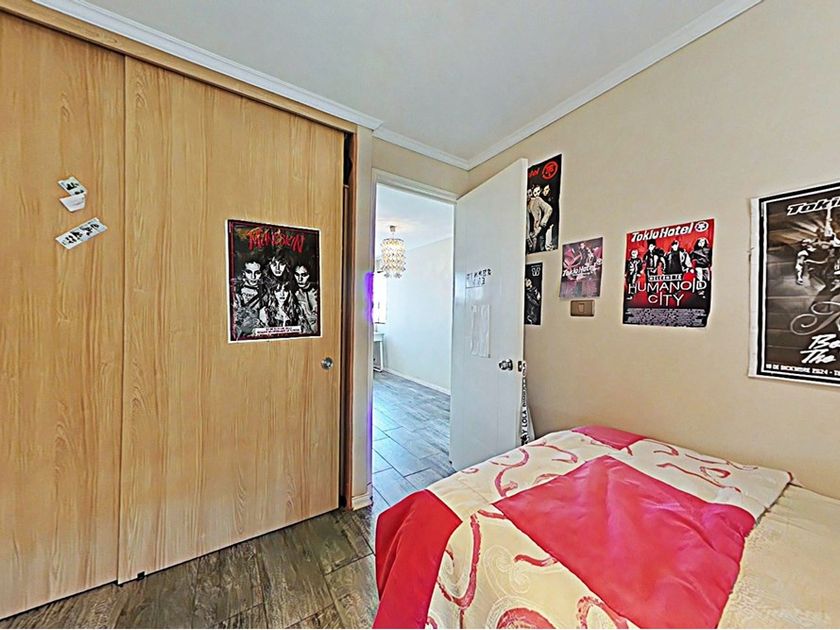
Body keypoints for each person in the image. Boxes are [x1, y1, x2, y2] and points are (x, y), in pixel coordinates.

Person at [232, 257, 266, 337]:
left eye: (257, 272)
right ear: (243, 272)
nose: (253, 276)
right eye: (249, 272)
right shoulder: (236, 290)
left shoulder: (265, 292)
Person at [294, 263, 320, 334]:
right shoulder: (294, 292)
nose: (300, 279)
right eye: (297, 275)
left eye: (304, 275)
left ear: (309, 275)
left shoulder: (317, 291)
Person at [527, 186, 553, 253]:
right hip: (529, 238)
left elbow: (549, 209)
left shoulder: (537, 200)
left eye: (529, 193)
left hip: (539, 235)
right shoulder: (523, 205)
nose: (527, 196)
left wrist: (541, 225)